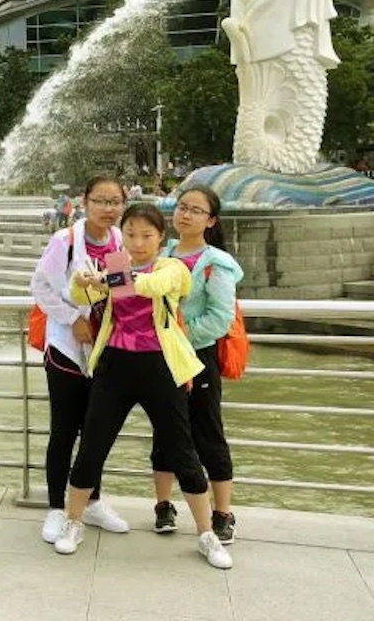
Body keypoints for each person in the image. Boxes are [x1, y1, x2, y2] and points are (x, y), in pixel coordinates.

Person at [57, 203, 233, 570]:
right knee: (92, 446)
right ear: (122, 235)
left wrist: (108, 279)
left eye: (147, 235)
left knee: (182, 450)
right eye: (131, 234)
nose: (138, 242)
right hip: (114, 366)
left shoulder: (171, 267)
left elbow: (153, 286)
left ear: (160, 238)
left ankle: (207, 534)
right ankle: (73, 522)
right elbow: (82, 297)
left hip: (160, 367)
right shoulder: (115, 264)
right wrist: (84, 282)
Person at [29, 176, 130, 544]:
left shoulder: (118, 240)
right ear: (85, 202)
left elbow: (122, 290)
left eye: (115, 201)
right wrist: (73, 319)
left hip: (105, 348)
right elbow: (40, 286)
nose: (108, 208)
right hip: (66, 349)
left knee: (95, 431)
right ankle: (57, 508)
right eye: (100, 201)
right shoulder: (66, 240)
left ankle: (92, 501)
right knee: (64, 430)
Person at [153, 185, 243, 545]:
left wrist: (181, 336)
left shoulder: (216, 263)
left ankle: (222, 513)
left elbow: (221, 318)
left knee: (208, 431)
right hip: (162, 356)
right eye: (182, 207)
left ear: (211, 220)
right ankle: (163, 505)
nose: (186, 215)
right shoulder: (162, 252)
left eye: (196, 210)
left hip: (198, 357)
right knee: (165, 430)